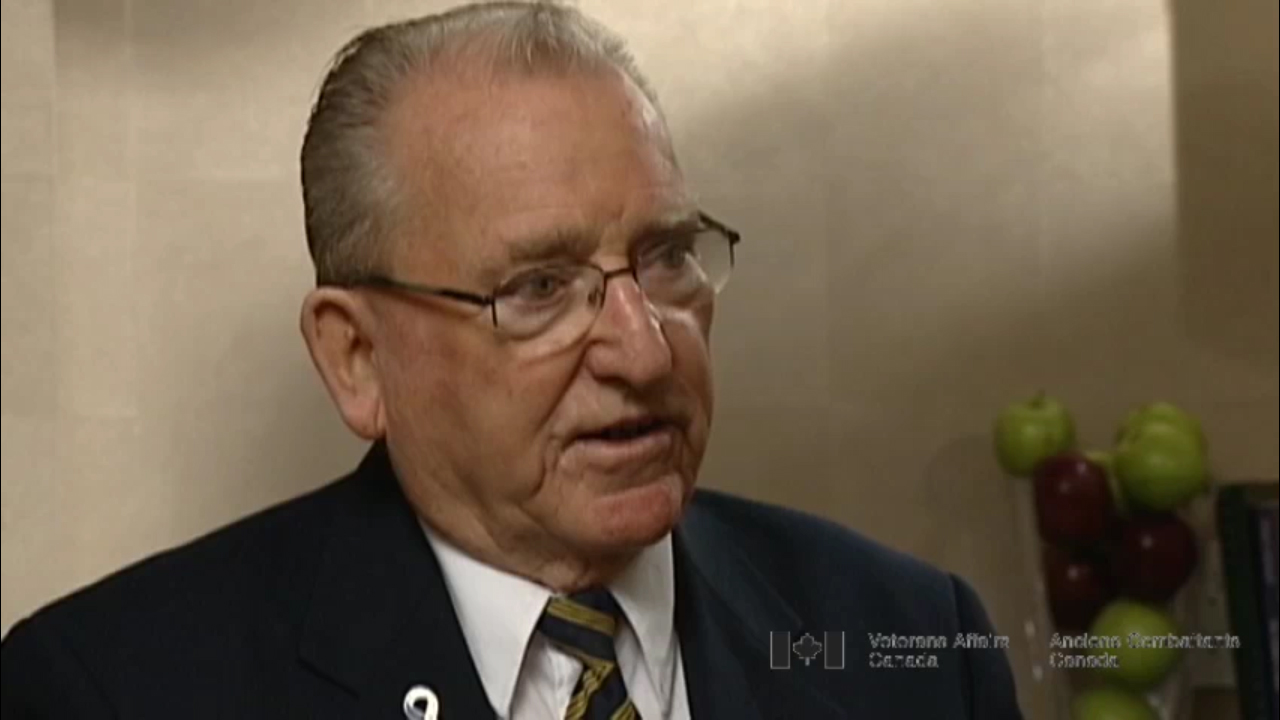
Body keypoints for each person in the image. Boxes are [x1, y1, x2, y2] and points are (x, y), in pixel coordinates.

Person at [0, 2, 1023, 718]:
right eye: (537, 288)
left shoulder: (917, 643)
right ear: (356, 359)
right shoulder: (111, 690)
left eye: (666, 257)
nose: (643, 350)